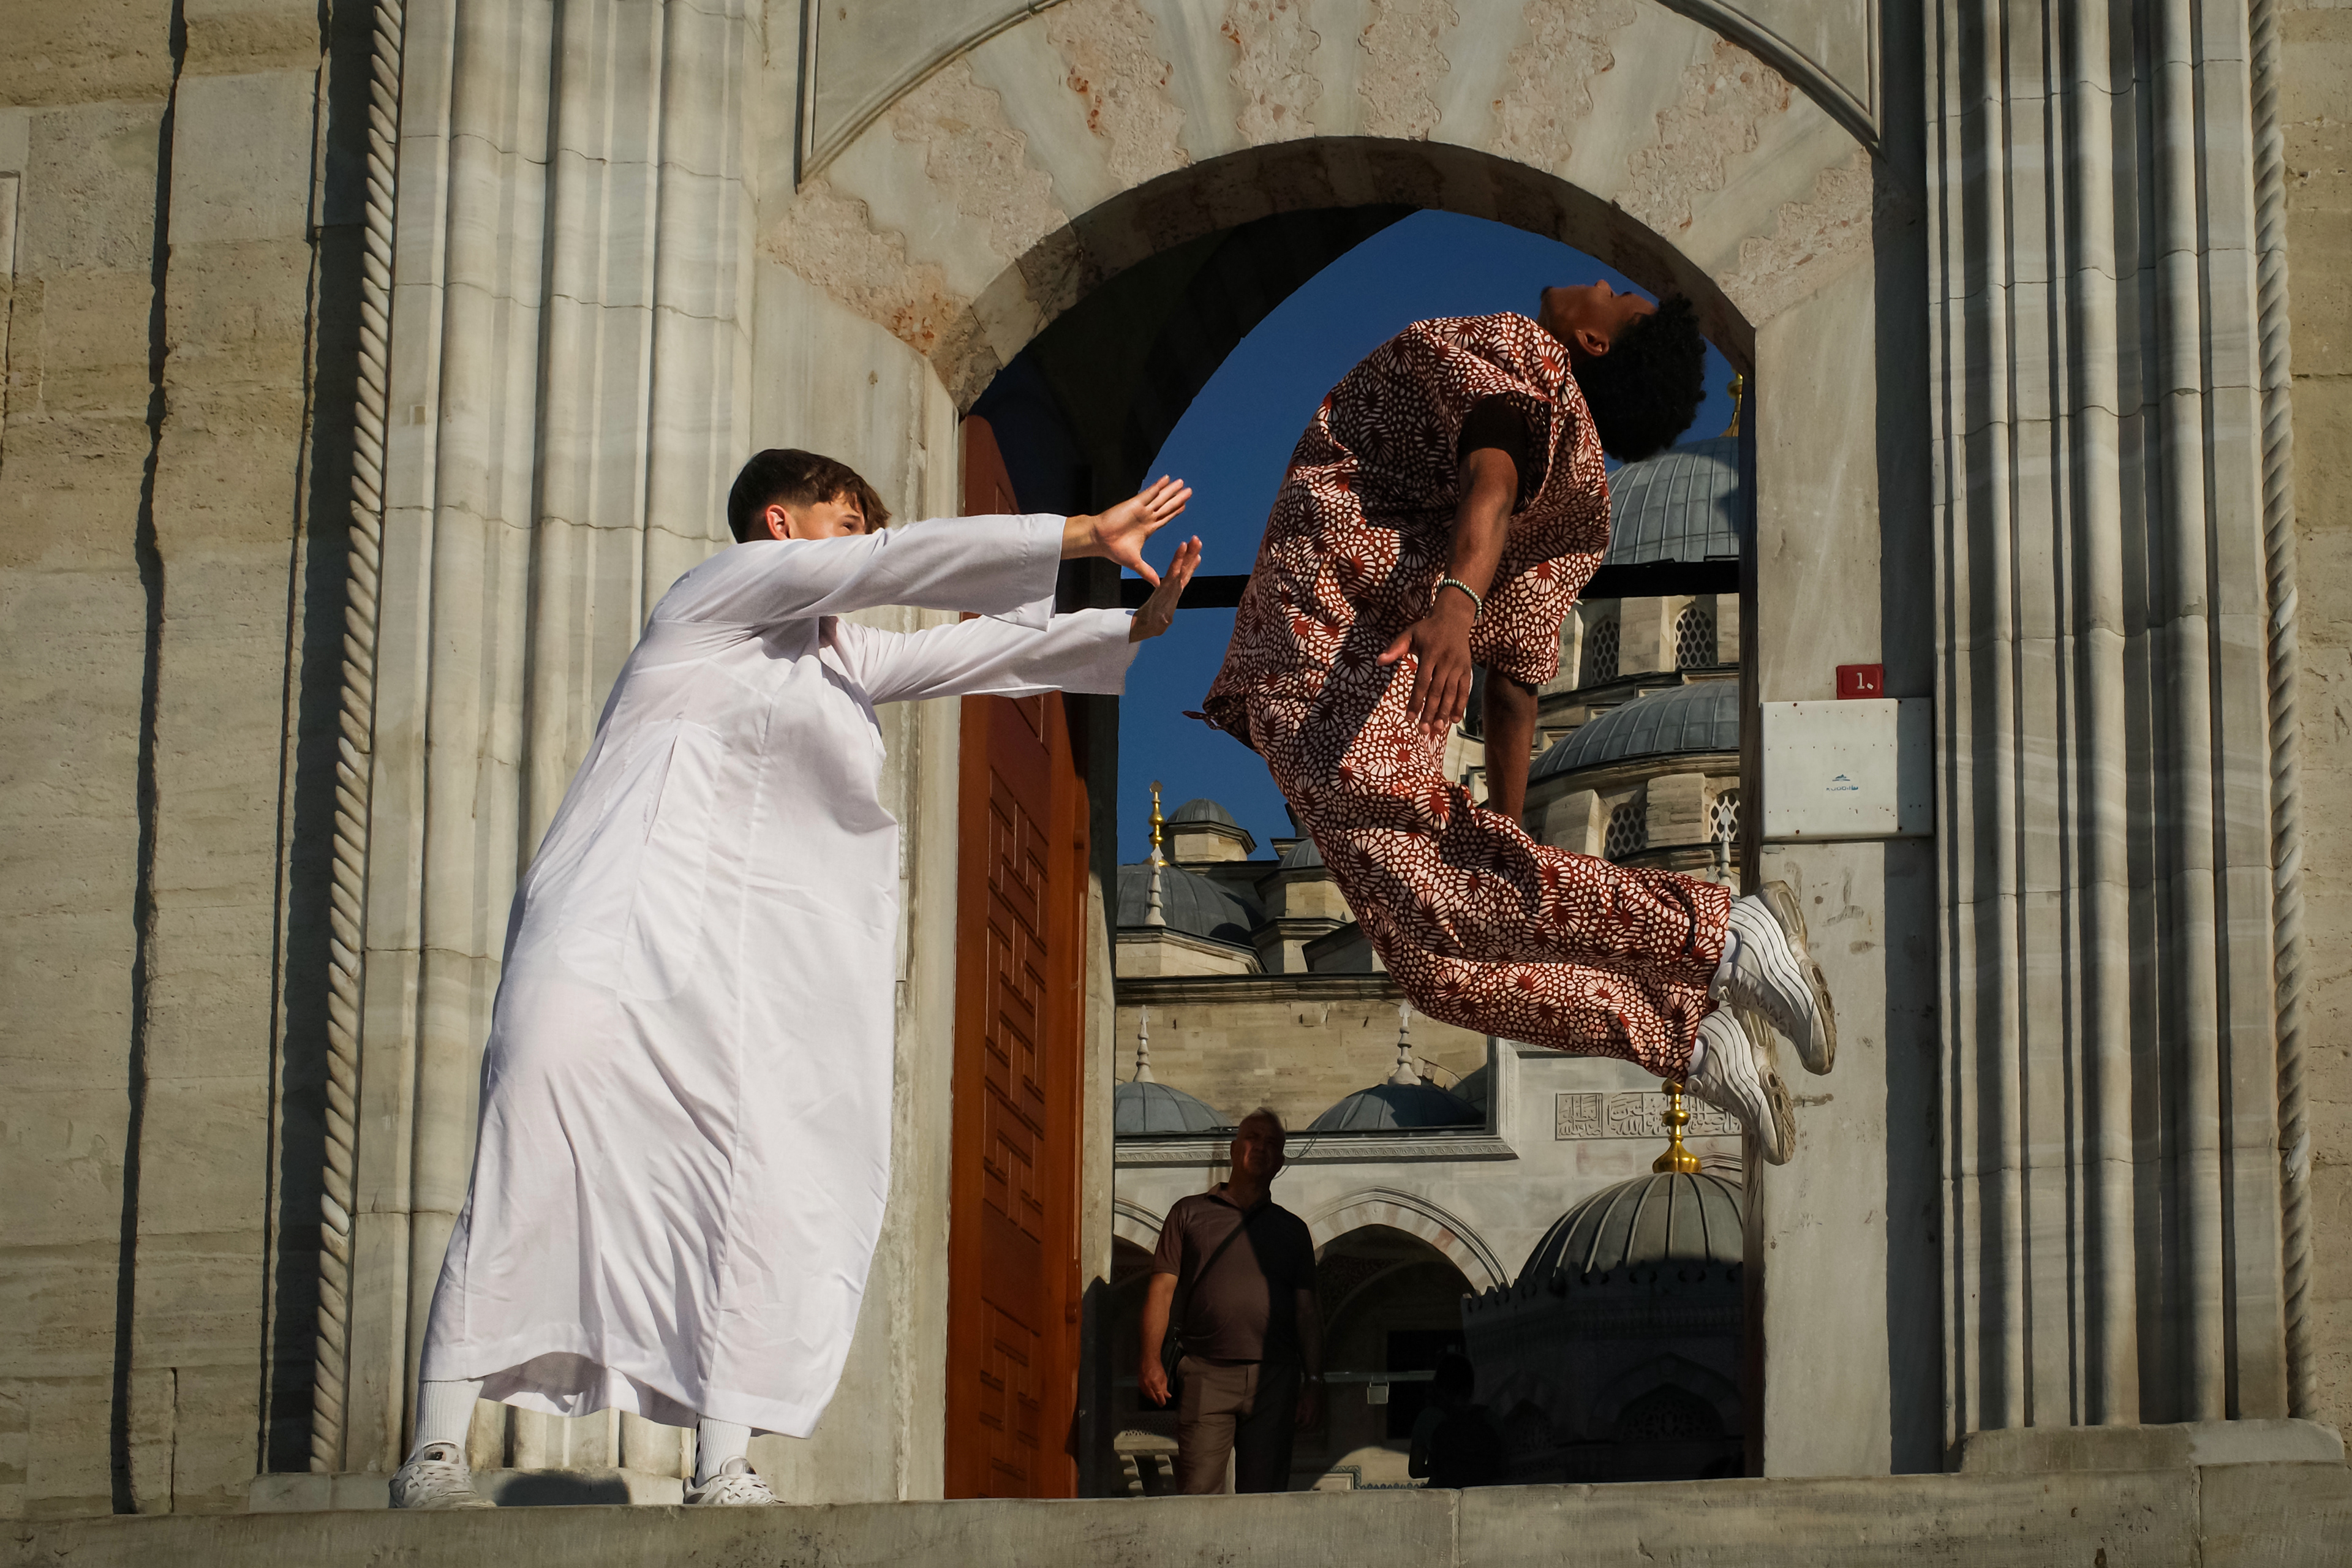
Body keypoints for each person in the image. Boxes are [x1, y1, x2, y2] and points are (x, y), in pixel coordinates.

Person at [388, 449, 1203, 1509]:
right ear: (779, 523)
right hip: (619, 915)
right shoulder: (715, 595)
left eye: (869, 522)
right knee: (536, 1119)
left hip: (740, 971)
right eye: (845, 518)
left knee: (745, 1182)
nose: (863, 537)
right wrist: (1085, 535)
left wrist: (1134, 624)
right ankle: (437, 1448)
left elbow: (979, 652)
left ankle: (722, 1465)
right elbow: (905, 564)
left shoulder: (841, 660)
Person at [1199, 283, 1836, 1159]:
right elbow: (1516, 689)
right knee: (1438, 968)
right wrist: (1503, 830)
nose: (1607, 286)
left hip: (1333, 666)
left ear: (1590, 341)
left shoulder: (1519, 356)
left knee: (1460, 899)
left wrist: (1457, 602)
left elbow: (1488, 474)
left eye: (1618, 300)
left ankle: (1725, 933)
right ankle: (1688, 1037)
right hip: (1328, 688)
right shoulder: (1575, 495)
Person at [1137, 1110, 1323, 1494]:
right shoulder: (1188, 1213)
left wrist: (1314, 1381)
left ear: (1282, 1161)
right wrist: (1150, 1359)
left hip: (1274, 1376)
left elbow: (1307, 1312)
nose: (1262, 1149)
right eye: (1253, 1139)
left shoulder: (1293, 1230)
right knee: (1198, 1492)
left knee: (1266, 1497)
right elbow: (1162, 1290)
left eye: (1273, 1144)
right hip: (1206, 1370)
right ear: (1235, 1148)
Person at [1407, 1353, 1506, 1488]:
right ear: (1471, 1384)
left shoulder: (1429, 1418)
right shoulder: (1490, 1417)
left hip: (1444, 1497)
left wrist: (1439, 1467)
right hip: (1483, 1496)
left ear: (1439, 1384)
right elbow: (1504, 1466)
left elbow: (1415, 1471)